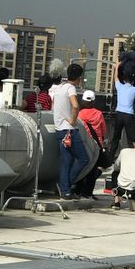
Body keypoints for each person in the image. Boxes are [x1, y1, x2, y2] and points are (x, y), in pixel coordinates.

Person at [53, 63, 89, 200]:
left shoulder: (59, 88)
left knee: (66, 161)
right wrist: (73, 120)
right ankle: (66, 185)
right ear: (79, 77)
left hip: (59, 130)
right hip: (69, 131)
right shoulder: (71, 88)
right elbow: (75, 105)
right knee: (83, 158)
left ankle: (65, 190)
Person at [74, 90, 108, 199]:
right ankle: (87, 192)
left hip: (83, 144)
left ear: (83, 101)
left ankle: (77, 190)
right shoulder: (98, 114)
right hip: (96, 146)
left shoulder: (79, 114)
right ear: (93, 101)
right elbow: (103, 131)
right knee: (94, 169)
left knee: (82, 168)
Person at [109, 62, 135, 164]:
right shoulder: (134, 89)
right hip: (129, 115)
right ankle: (133, 158)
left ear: (123, 79)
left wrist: (117, 66)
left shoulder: (119, 86)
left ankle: (110, 158)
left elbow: (115, 78)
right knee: (131, 138)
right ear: (132, 80)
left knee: (116, 137)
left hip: (119, 114)